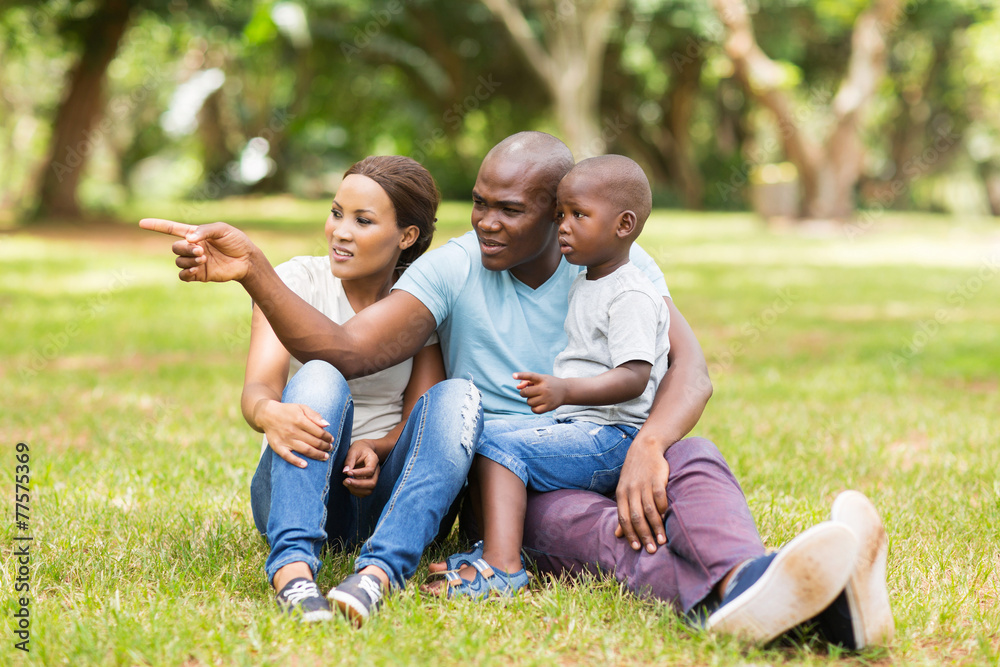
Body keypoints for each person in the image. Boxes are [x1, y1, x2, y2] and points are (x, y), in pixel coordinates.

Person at [140, 131, 892, 649]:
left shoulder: (608, 259)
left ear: (563, 213)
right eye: (480, 202)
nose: (486, 223)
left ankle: (759, 579)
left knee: (693, 460)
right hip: (512, 481)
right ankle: (788, 611)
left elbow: (688, 370)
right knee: (605, 534)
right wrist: (255, 269)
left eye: (512, 209)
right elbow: (338, 348)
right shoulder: (455, 267)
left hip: (602, 443)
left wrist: (651, 445)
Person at [219, 155, 483, 623]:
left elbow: (420, 414)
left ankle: (377, 575)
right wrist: (268, 414)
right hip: (298, 485)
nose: (340, 231)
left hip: (388, 497)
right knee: (321, 374)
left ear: (407, 236)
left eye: (362, 221)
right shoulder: (296, 281)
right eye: (337, 212)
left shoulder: (417, 300)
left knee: (459, 394)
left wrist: (379, 449)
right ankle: (293, 571)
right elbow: (258, 387)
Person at [438, 155, 671, 600]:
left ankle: (502, 569)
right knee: (484, 429)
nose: (562, 226)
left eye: (578, 215)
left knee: (500, 446)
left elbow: (636, 376)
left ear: (624, 225)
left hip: (613, 435)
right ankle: (491, 546)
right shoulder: (589, 281)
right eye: (560, 214)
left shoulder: (631, 293)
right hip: (581, 425)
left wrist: (565, 390)